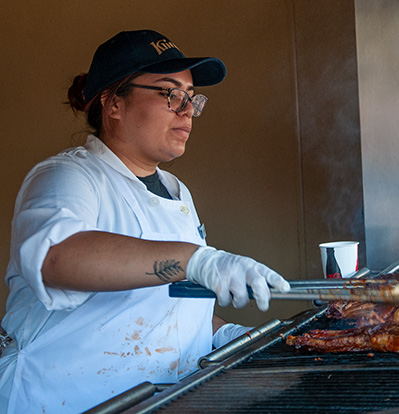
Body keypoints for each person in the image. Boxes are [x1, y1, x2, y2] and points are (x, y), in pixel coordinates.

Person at [0, 29, 290, 413]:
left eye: (191, 98)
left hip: (153, 401)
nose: (186, 110)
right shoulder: (66, 177)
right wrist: (194, 260)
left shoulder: (176, 193)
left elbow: (164, 310)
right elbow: (56, 258)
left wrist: (227, 335)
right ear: (113, 103)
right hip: (60, 399)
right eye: (170, 94)